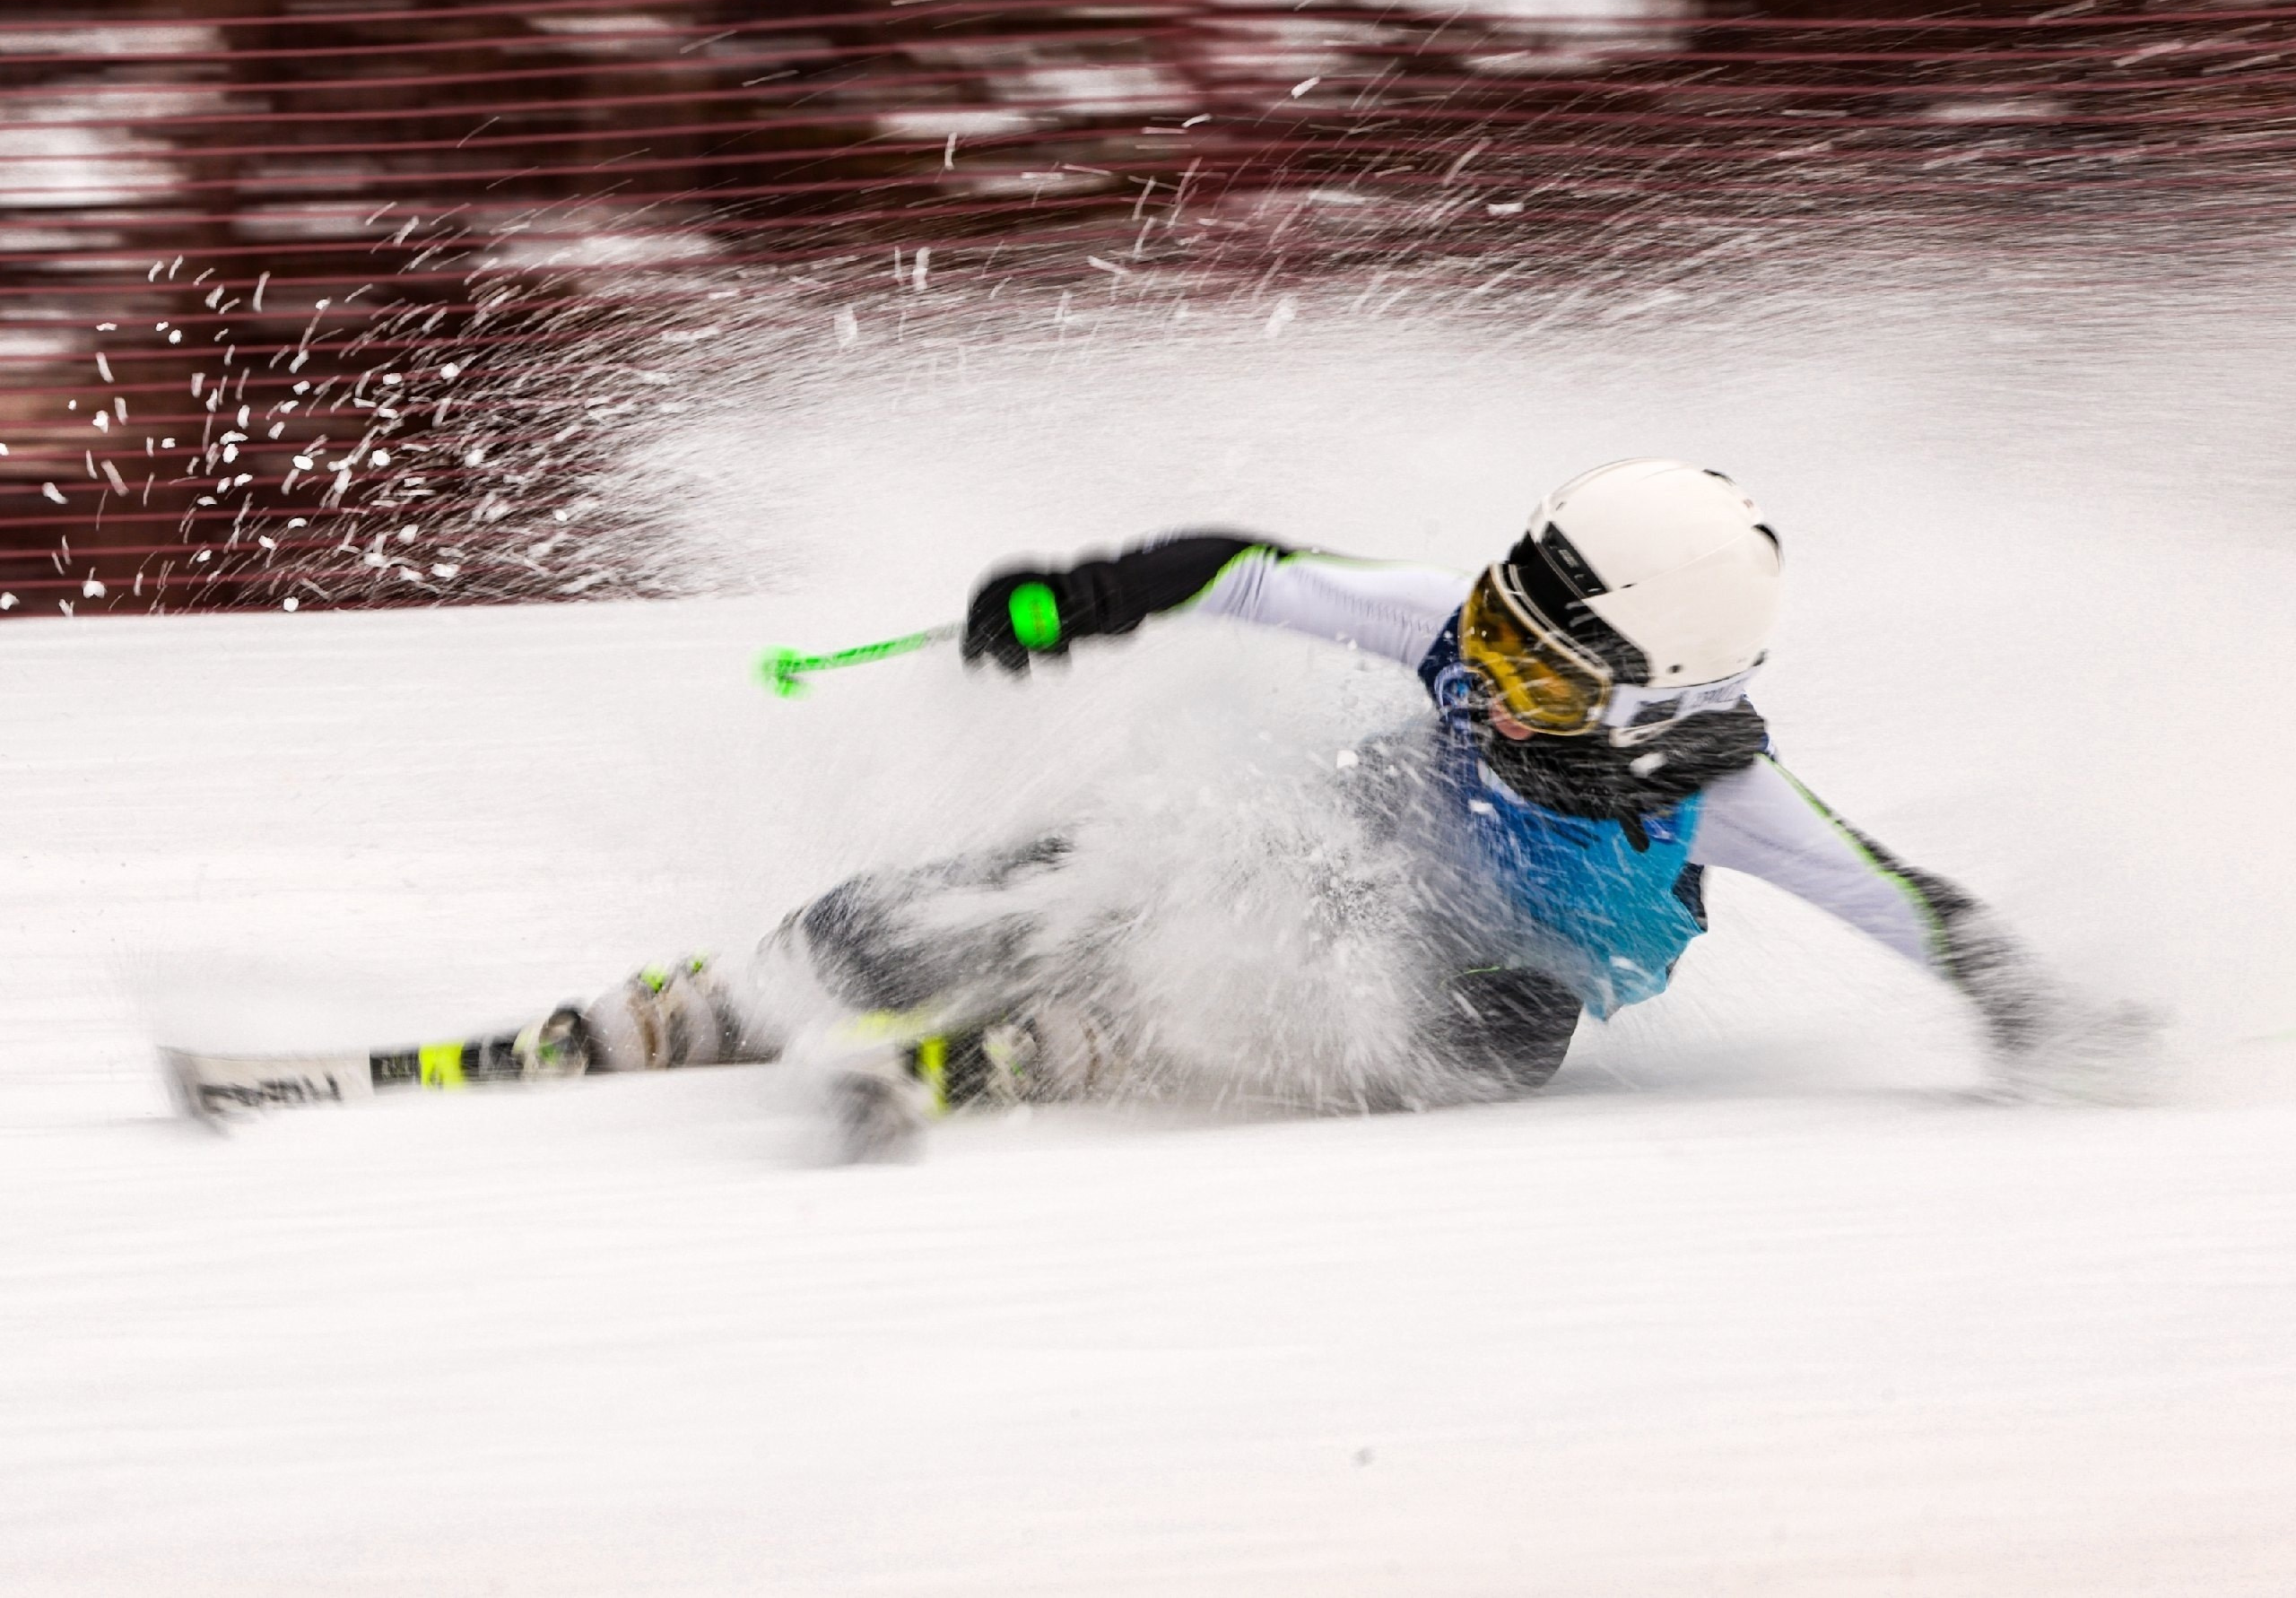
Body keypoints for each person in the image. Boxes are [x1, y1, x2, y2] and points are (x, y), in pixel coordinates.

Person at [535, 457, 2133, 1155]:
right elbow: (1240, 572)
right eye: (1498, 616)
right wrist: (1071, 601)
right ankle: (842, 952)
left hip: (1497, 978)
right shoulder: (1449, 621)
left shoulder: (1728, 798)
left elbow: (1907, 903)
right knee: (1197, 836)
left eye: (1542, 660)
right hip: (1371, 841)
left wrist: (2041, 1013)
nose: (1487, 663)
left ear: (1652, 694)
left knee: (1479, 1028)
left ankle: (1105, 1038)